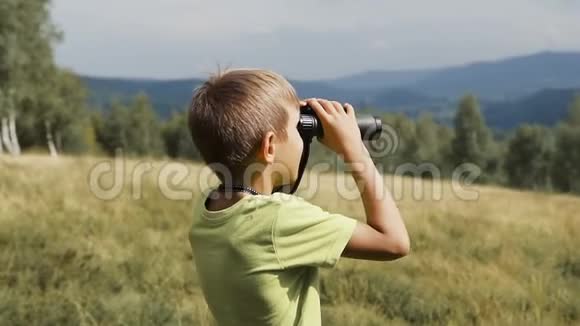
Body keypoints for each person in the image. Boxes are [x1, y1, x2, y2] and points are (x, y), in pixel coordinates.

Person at [187, 68, 410, 326]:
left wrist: (290, 119)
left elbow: (259, 194)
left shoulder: (208, 207)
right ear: (269, 146)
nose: (303, 136)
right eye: (298, 127)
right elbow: (394, 242)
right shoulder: (278, 220)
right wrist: (355, 152)